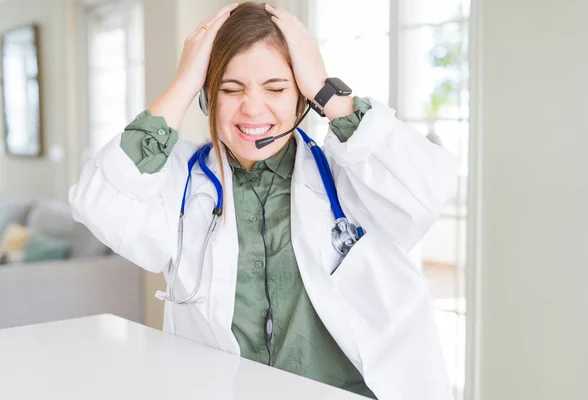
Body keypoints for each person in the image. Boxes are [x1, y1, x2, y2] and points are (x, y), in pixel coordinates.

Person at [69, 2, 458, 399]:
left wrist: (327, 90)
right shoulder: (180, 182)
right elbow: (97, 202)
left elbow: (426, 190)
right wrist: (184, 83)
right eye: (230, 89)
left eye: (275, 88)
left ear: (302, 99)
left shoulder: (350, 170)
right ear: (208, 98)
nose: (252, 108)